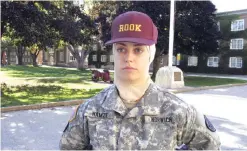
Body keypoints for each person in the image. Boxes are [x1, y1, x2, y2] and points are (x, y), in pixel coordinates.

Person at [59, 11, 221, 150]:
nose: (129, 58)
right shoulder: (89, 110)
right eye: (121, 49)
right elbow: (68, 147)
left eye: (138, 50)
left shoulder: (178, 111)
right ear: (113, 53)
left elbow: (210, 146)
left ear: (150, 54)